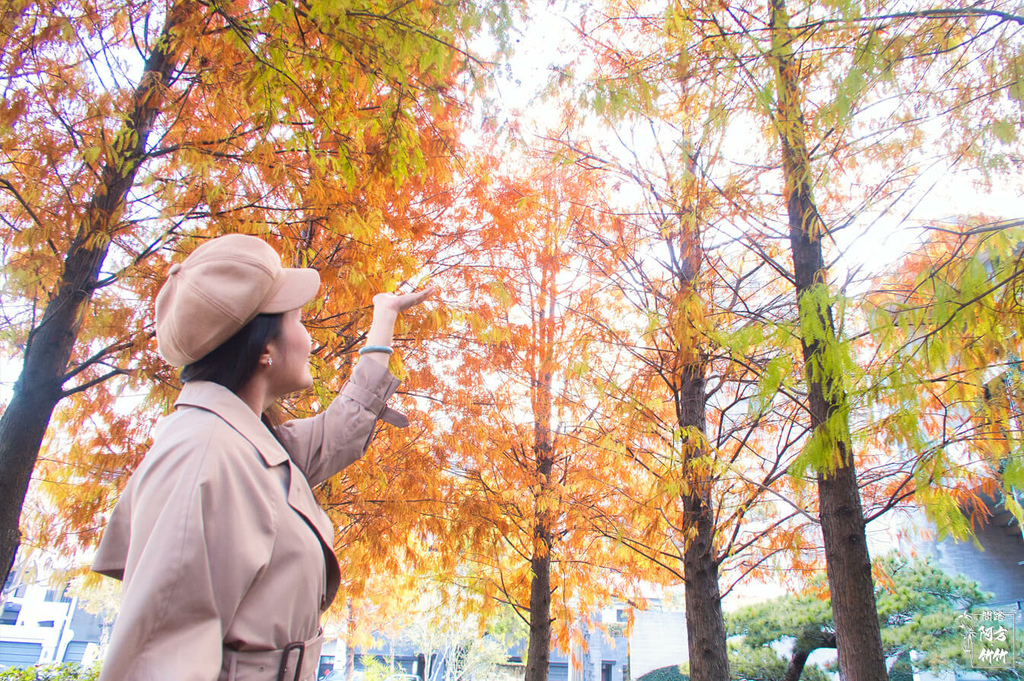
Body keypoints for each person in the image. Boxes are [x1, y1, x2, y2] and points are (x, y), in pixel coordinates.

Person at [92, 233, 432, 681]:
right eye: (298, 321)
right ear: (264, 349)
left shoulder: (245, 442)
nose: (309, 339)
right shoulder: (202, 458)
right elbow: (157, 660)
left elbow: (337, 434)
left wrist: (383, 318)